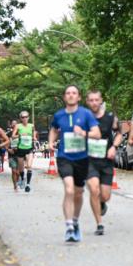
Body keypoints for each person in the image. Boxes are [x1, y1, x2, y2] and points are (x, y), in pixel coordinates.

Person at [48, 85, 101, 242]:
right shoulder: (59, 115)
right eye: (68, 93)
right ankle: (69, 226)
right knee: (69, 190)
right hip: (64, 157)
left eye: (74, 93)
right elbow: (53, 129)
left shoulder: (86, 114)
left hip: (82, 158)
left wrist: (83, 133)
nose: (71, 95)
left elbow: (97, 134)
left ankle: (75, 220)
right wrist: (51, 142)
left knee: (78, 192)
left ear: (78, 97)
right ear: (64, 97)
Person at [85, 90, 122, 235]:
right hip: (89, 160)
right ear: (87, 102)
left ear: (101, 101)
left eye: (96, 100)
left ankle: (101, 203)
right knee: (94, 189)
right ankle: (99, 224)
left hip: (106, 161)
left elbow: (119, 134)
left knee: (105, 196)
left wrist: (114, 147)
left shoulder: (111, 118)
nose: (94, 103)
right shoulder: (83, 119)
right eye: (91, 100)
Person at [12, 111, 38, 192]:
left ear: (28, 117)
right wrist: (19, 135)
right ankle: (22, 179)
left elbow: (34, 134)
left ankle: (28, 185)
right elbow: (13, 136)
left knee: (29, 166)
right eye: (23, 117)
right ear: (20, 118)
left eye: (26, 117)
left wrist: (34, 138)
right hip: (20, 149)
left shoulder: (31, 126)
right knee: (21, 169)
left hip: (29, 148)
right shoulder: (18, 126)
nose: (24, 118)